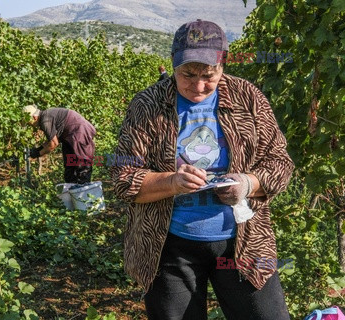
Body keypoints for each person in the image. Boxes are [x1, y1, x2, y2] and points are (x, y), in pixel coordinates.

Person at [111, 19, 295, 320]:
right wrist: (172, 182)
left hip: (244, 243)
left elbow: (280, 164)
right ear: (173, 63)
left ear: (222, 66)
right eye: (188, 74)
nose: (198, 85)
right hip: (169, 249)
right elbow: (122, 179)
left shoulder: (247, 98)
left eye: (209, 75)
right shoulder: (148, 105)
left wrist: (247, 184)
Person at [23, 105, 96, 184]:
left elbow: (53, 144)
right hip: (70, 136)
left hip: (79, 133)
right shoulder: (46, 116)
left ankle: (84, 192)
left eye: (29, 123)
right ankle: (72, 192)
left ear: (34, 117)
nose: (30, 125)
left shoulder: (45, 121)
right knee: (70, 167)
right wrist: (39, 148)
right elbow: (52, 139)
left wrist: (38, 153)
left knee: (82, 166)